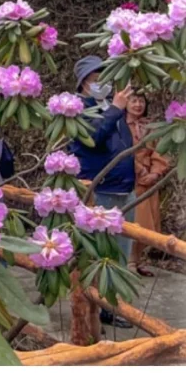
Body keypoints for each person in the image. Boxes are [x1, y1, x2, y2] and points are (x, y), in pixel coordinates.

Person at [68, 56, 135, 290]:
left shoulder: (110, 107)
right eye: (96, 80)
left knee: (120, 255)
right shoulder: (77, 109)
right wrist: (116, 109)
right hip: (100, 191)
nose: (103, 84)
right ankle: (100, 306)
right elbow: (93, 139)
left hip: (124, 189)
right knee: (102, 256)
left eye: (105, 79)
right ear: (83, 83)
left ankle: (112, 305)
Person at [126, 91, 172, 273]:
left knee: (148, 222)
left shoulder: (151, 126)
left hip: (149, 182)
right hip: (129, 179)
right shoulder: (120, 125)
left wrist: (155, 173)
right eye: (133, 100)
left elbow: (161, 151)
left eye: (141, 101)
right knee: (132, 220)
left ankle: (139, 260)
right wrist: (139, 169)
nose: (138, 105)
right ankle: (129, 260)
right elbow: (120, 152)